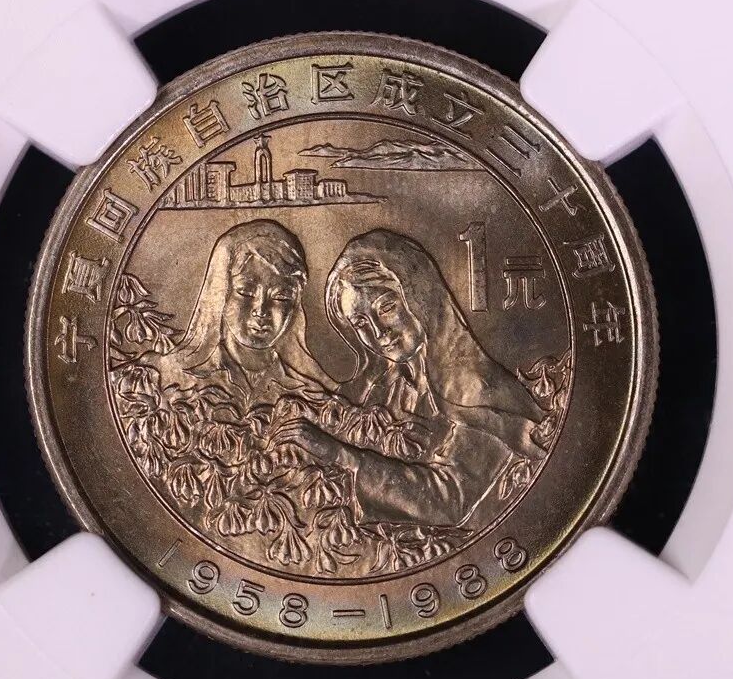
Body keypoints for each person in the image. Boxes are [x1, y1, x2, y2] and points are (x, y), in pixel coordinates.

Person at [271, 229, 546, 528]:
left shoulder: (477, 388)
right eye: (360, 323)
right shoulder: (387, 387)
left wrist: (339, 455)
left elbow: (447, 501)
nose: (379, 333)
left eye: (386, 308)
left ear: (420, 296)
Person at [134, 219, 332, 411]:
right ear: (220, 294)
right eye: (245, 292)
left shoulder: (314, 397)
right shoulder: (158, 380)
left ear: (295, 306)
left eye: (281, 297)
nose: (261, 310)